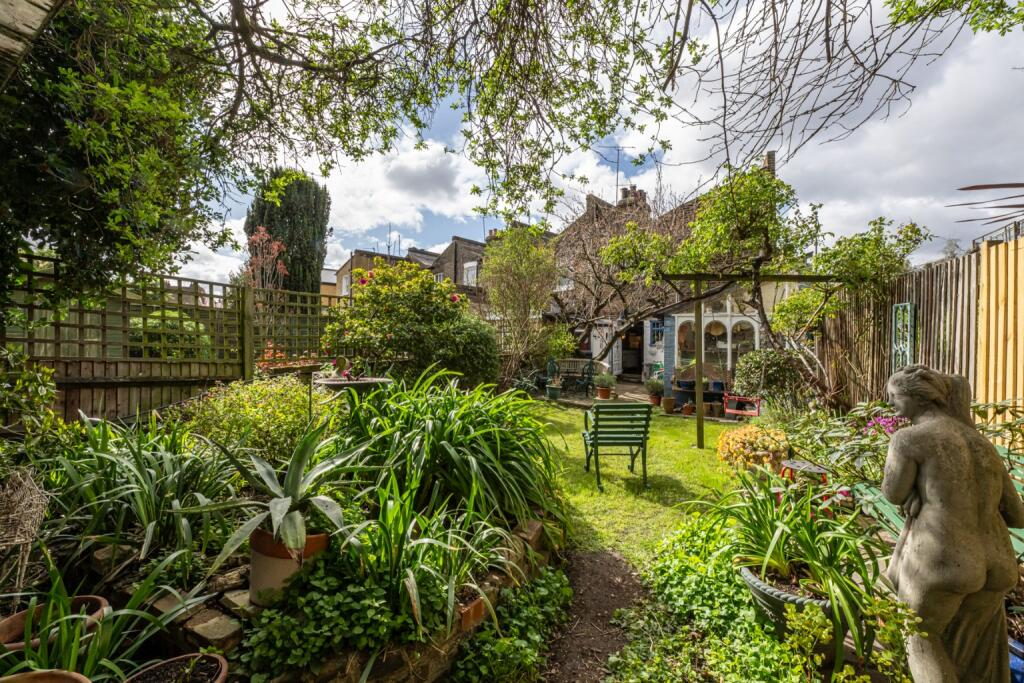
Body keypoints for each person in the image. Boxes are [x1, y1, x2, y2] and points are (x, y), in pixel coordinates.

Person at [883, 365, 1024, 682]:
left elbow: (893, 493)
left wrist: (916, 495)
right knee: (975, 650)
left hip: (945, 561)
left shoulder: (909, 439)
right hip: (999, 562)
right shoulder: (981, 444)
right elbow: (1018, 516)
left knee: (920, 637)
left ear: (918, 398)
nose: (890, 405)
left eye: (894, 397)